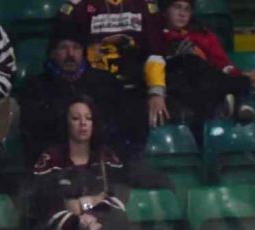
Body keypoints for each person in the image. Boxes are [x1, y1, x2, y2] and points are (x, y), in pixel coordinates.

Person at [28, 95, 172, 230]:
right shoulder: (50, 160)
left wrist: (82, 205)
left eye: (88, 118)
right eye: (76, 118)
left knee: (117, 223)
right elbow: (45, 204)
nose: (83, 123)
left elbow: (117, 197)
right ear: (65, 123)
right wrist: (86, 209)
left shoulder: (107, 158)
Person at [56, 0, 170, 156]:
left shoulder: (144, 5)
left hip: (135, 89)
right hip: (92, 90)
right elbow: (65, 51)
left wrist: (156, 92)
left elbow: (155, 53)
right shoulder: (78, 6)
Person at [18, 22, 126, 164]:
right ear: (52, 53)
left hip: (99, 161)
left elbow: (115, 127)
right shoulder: (35, 87)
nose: (70, 54)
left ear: (84, 52)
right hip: (54, 163)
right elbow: (33, 134)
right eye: (63, 48)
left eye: (76, 48)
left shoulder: (105, 82)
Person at [161, 0, 255, 130]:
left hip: (204, 82)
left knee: (199, 66)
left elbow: (222, 63)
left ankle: (233, 95)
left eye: (187, 9)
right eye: (177, 7)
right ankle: (236, 96)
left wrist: (235, 73)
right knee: (190, 61)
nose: (182, 14)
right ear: (165, 10)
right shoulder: (155, 34)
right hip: (173, 84)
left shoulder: (204, 36)